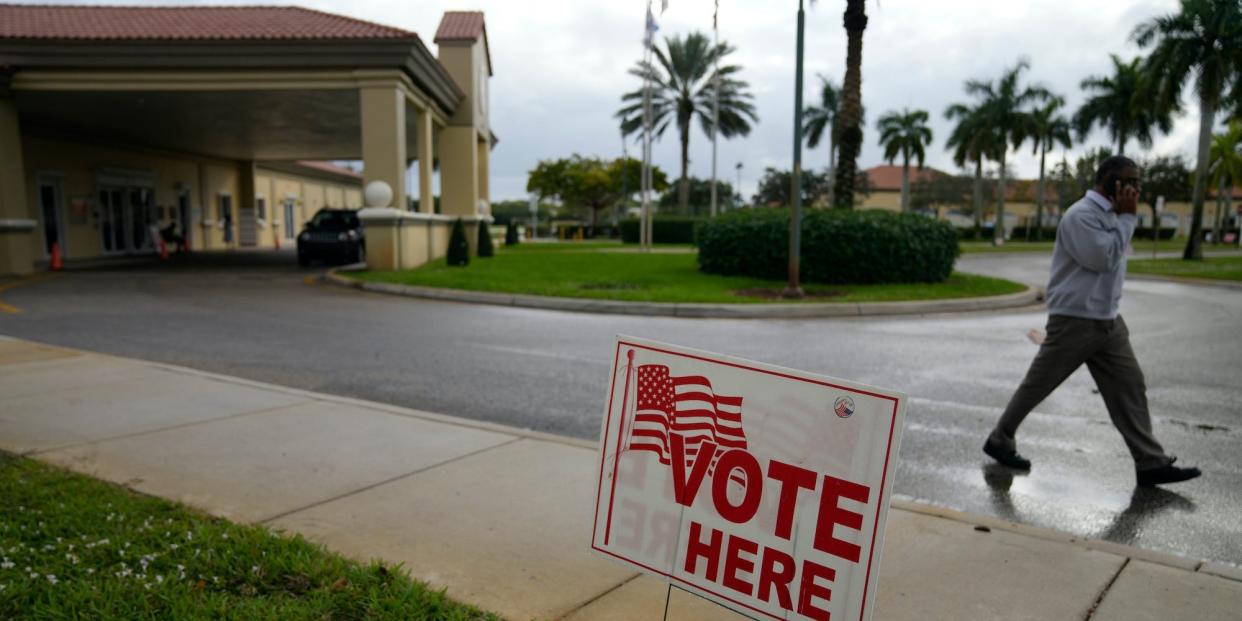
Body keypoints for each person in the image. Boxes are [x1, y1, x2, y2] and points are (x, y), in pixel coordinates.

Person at [983, 155, 1201, 487]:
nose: (1137, 188)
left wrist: (1123, 218)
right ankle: (1000, 439)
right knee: (1038, 385)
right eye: (1131, 181)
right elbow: (1103, 259)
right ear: (1110, 182)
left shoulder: (1112, 215)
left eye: (1138, 182)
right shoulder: (1081, 216)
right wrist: (1128, 219)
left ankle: (1150, 462)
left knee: (1130, 386)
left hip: (1107, 321)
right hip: (1075, 320)